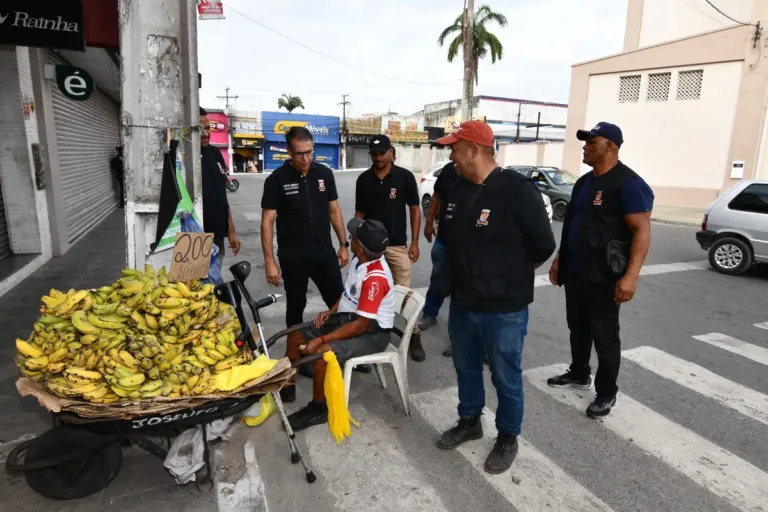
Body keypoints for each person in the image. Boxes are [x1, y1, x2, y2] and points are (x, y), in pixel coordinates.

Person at [434, 121, 556, 475]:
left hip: (503, 308)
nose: (451, 156)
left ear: (473, 149)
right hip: (463, 304)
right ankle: (470, 420)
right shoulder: (457, 188)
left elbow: (543, 246)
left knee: (506, 374)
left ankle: (507, 437)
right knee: (467, 368)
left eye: (455, 148)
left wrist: (508, 276)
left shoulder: (517, 190)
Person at [546, 122, 653, 418]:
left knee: (605, 335)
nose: (585, 146)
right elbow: (571, 227)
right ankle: (579, 372)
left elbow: (642, 231)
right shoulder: (583, 183)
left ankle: (606, 392)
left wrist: (630, 277)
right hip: (577, 272)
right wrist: (558, 261)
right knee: (577, 327)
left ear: (612, 147)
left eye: (592, 142)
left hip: (606, 276)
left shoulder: (629, 184)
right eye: (585, 142)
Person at [261, 126, 351, 402]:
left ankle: (342, 358)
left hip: (324, 253)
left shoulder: (324, 174)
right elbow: (268, 221)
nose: (305, 158)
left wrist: (343, 244)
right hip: (294, 257)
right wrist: (270, 262)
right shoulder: (277, 180)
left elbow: (334, 209)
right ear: (288, 152)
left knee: (341, 304)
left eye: (309, 152)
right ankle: (289, 375)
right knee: (295, 313)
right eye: (299, 154)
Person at [287, 218, 396, 431]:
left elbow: (362, 325)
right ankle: (286, 386)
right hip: (349, 319)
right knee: (295, 335)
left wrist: (322, 339)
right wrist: (330, 311)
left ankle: (319, 408)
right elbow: (348, 295)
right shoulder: (360, 261)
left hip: (373, 333)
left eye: (353, 238)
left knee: (323, 354)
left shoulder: (376, 278)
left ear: (361, 248)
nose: (349, 240)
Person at [354, 136, 425, 361]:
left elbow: (415, 210)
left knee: (404, 295)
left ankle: (414, 335)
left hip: (396, 246)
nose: (378, 158)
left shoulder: (404, 177)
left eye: (382, 153)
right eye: (374, 154)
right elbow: (360, 214)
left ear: (391, 152)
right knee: (367, 290)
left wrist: (414, 243)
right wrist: (355, 243)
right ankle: (369, 332)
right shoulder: (363, 180)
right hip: (370, 249)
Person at [418, 162, 461, 358]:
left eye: (455, 149)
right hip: (444, 239)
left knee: (463, 292)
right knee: (438, 279)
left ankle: (460, 339)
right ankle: (430, 314)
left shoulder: (487, 177)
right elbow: (436, 197)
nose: (452, 155)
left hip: (469, 246)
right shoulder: (450, 170)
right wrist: (429, 223)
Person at [200, 107, 240, 269]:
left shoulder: (215, 153)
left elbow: (222, 196)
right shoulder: (184, 156)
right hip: (195, 235)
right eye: (200, 129)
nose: (206, 133)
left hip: (217, 234)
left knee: (214, 278)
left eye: (208, 128)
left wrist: (231, 231)